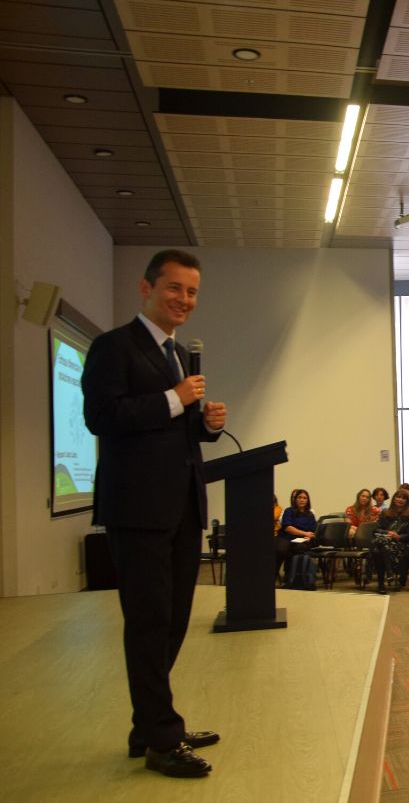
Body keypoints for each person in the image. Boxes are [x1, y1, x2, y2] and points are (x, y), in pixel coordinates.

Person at [81, 249, 226, 778]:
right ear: (146, 289)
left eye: (192, 292)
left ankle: (150, 722)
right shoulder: (112, 347)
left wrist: (206, 422)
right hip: (138, 508)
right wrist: (174, 398)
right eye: (175, 289)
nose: (184, 300)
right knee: (148, 623)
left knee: (174, 621)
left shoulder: (179, 356)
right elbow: (101, 416)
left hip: (183, 505)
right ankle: (161, 740)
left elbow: (177, 432)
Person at [369, 488, 409, 594]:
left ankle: (383, 582)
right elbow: (376, 530)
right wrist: (388, 533)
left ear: (406, 501)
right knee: (379, 548)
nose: (400, 500)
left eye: (403, 498)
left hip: (399, 545)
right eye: (398, 497)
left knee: (377, 548)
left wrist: (398, 537)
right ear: (394, 499)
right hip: (385, 542)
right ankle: (388, 574)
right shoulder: (385, 513)